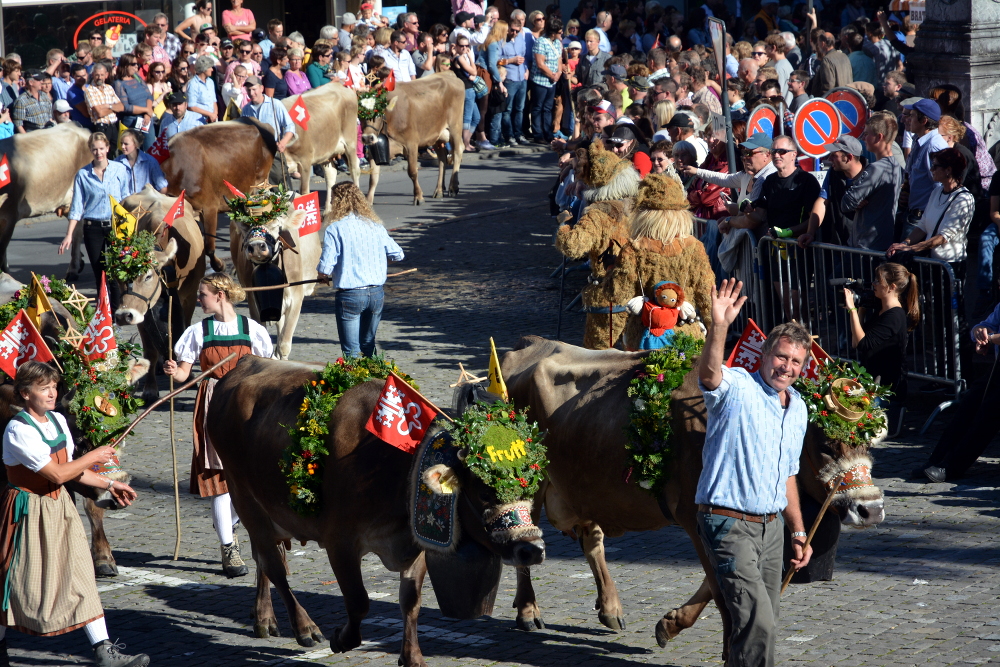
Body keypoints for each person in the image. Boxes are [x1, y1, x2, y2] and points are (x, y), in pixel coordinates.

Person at [0, 361, 150, 667]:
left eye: (54, 387)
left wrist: (110, 483)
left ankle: (104, 650)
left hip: (60, 510)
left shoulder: (57, 421)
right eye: (45, 389)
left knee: (82, 577)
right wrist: (95, 455)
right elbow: (56, 473)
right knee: (12, 583)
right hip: (28, 513)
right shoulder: (17, 430)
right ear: (25, 394)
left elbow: (73, 474)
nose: (53, 393)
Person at [697, 279, 812, 667]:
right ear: (763, 354)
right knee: (757, 620)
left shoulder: (798, 408)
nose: (787, 367)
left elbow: (788, 474)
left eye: (796, 362)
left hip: (772, 528)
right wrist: (719, 327)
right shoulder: (739, 387)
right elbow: (710, 375)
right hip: (727, 522)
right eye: (781, 357)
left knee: (760, 621)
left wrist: (797, 531)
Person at [163, 273, 272, 577]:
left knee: (249, 476)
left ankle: (230, 520)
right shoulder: (198, 331)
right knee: (220, 478)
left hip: (248, 405)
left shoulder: (252, 330)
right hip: (214, 403)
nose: (198, 300)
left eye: (203, 295)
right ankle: (229, 548)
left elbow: (268, 370)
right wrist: (174, 370)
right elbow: (184, 375)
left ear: (220, 295)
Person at [316, 183, 404, 358]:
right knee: (368, 343)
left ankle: (358, 384)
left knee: (351, 350)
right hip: (376, 294)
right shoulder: (375, 226)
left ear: (339, 203)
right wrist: (377, 263)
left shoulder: (335, 228)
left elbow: (326, 265)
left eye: (333, 200)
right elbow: (398, 254)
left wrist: (322, 276)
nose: (331, 204)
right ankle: (374, 380)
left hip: (350, 295)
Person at [58, 133, 129, 312]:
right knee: (100, 271)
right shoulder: (83, 174)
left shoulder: (119, 169)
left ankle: (116, 310)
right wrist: (69, 235)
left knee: (114, 270)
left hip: (114, 225)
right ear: (90, 150)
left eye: (101, 149)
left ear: (107, 148)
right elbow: (76, 208)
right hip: (93, 226)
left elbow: (127, 199)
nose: (98, 153)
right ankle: (104, 313)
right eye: (94, 149)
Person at [843, 262, 919, 413]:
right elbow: (855, 342)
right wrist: (861, 308)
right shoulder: (881, 310)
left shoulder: (894, 316)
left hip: (886, 390)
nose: (874, 284)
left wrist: (852, 309)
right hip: (870, 381)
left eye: (878, 281)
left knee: (847, 408)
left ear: (892, 287)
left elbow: (862, 344)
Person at [889, 147, 975, 273]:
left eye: (935, 166)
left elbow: (943, 237)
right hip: (930, 262)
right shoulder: (937, 191)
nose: (931, 169)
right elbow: (922, 225)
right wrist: (905, 244)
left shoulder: (963, 199)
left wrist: (912, 248)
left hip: (949, 266)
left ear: (948, 170)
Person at [841, 113, 904, 251]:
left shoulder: (876, 168)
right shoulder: (896, 167)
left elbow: (846, 202)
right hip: (881, 241)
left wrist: (855, 200)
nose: (863, 138)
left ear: (879, 137)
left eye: (867, 134)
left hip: (866, 245)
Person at [901, 98, 950, 238]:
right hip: (914, 214)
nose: (907, 119)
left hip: (923, 219)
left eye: (912, 116)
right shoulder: (919, 141)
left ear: (924, 121)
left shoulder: (934, 146)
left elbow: (940, 187)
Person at [241, 75, 296, 188]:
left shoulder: (275, 104)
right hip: (254, 155)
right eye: (248, 90)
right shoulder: (246, 109)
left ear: (261, 88)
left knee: (281, 186)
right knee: (259, 189)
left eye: (254, 89)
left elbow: (290, 126)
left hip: (273, 151)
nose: (251, 93)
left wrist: (283, 143)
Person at [530, 18, 563, 144]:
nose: (561, 34)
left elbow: (559, 59)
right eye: (559, 32)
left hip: (552, 81)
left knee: (548, 108)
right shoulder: (541, 42)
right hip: (540, 80)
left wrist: (558, 73)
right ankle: (538, 134)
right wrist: (551, 75)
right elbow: (540, 63)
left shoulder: (556, 42)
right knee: (538, 107)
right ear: (552, 32)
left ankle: (548, 133)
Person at [112, 54, 155, 148]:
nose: (136, 66)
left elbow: (149, 95)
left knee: (151, 149)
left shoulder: (137, 77)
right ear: (125, 65)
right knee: (134, 151)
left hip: (147, 119)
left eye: (137, 64)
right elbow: (125, 107)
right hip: (131, 121)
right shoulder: (119, 83)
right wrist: (146, 110)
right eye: (134, 64)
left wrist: (147, 114)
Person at [499, 13, 529, 145]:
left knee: (520, 109)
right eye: (512, 30)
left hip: (521, 77)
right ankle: (509, 135)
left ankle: (519, 134)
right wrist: (511, 60)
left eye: (517, 31)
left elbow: (524, 56)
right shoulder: (501, 40)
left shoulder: (520, 38)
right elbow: (497, 61)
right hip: (510, 78)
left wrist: (526, 69)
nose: (514, 33)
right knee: (508, 109)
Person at [116, 129, 168, 196]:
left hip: (146, 203)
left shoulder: (150, 161)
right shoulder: (117, 162)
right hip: (124, 203)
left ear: (136, 144)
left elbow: (162, 188)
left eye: (126, 144)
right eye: (121, 143)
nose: (122, 147)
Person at [84, 63, 124, 148]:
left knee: (115, 152)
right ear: (93, 75)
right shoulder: (89, 91)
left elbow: (121, 107)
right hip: (101, 127)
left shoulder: (109, 88)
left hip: (113, 125)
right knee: (103, 152)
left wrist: (108, 106)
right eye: (97, 75)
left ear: (106, 75)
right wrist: (113, 108)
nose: (99, 77)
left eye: (102, 75)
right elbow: (100, 113)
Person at [187, 55, 218, 123]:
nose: (212, 69)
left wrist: (214, 114)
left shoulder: (210, 82)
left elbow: (214, 101)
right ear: (204, 69)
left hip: (212, 120)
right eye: (210, 67)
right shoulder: (193, 84)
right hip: (199, 121)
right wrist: (210, 114)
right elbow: (191, 106)